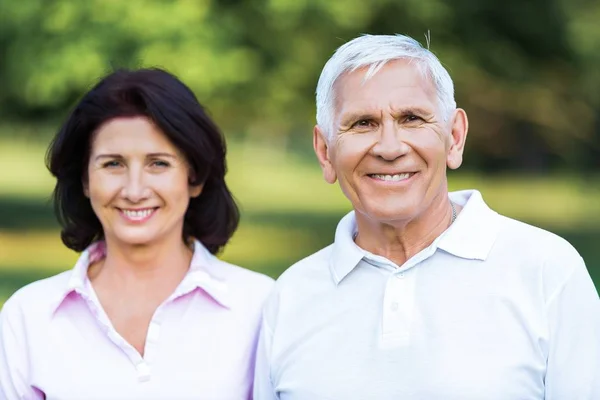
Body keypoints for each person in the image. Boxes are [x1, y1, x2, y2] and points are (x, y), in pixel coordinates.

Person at [253, 34, 600, 399]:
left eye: (412, 118)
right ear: (325, 152)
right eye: (362, 124)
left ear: (454, 137)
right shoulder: (290, 297)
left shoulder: (546, 271)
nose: (389, 147)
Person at [0, 68, 274, 399]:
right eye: (112, 164)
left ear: (195, 177)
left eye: (158, 164)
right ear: (85, 180)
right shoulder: (28, 316)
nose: (134, 190)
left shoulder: (261, 305)